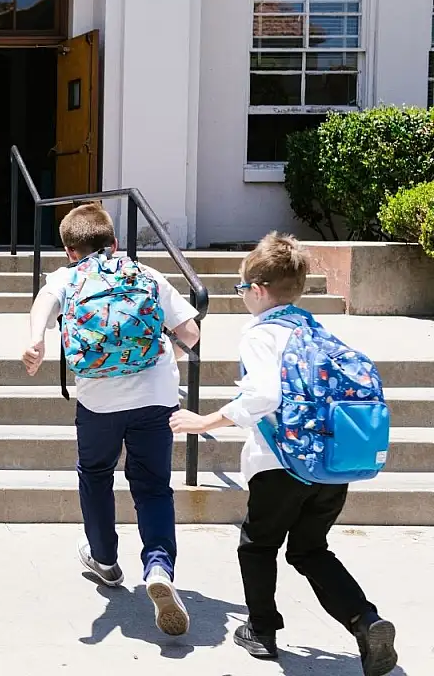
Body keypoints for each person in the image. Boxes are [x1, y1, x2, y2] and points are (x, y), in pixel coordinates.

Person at [169, 233, 398, 674]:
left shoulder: (261, 334)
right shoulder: (316, 331)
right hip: (330, 465)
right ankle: (365, 621)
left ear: (257, 290)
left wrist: (204, 422)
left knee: (257, 546)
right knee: (310, 550)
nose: (241, 296)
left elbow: (263, 396)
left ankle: (261, 630)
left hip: (279, 465)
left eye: (242, 288)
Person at [21, 203, 199, 637]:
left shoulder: (67, 277)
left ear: (69, 251)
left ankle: (104, 559)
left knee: (96, 474)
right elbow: (191, 333)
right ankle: (158, 567)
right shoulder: (146, 274)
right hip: (156, 398)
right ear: (115, 243)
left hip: (98, 400)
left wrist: (35, 341)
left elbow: (43, 306)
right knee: (153, 486)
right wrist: (165, 359)